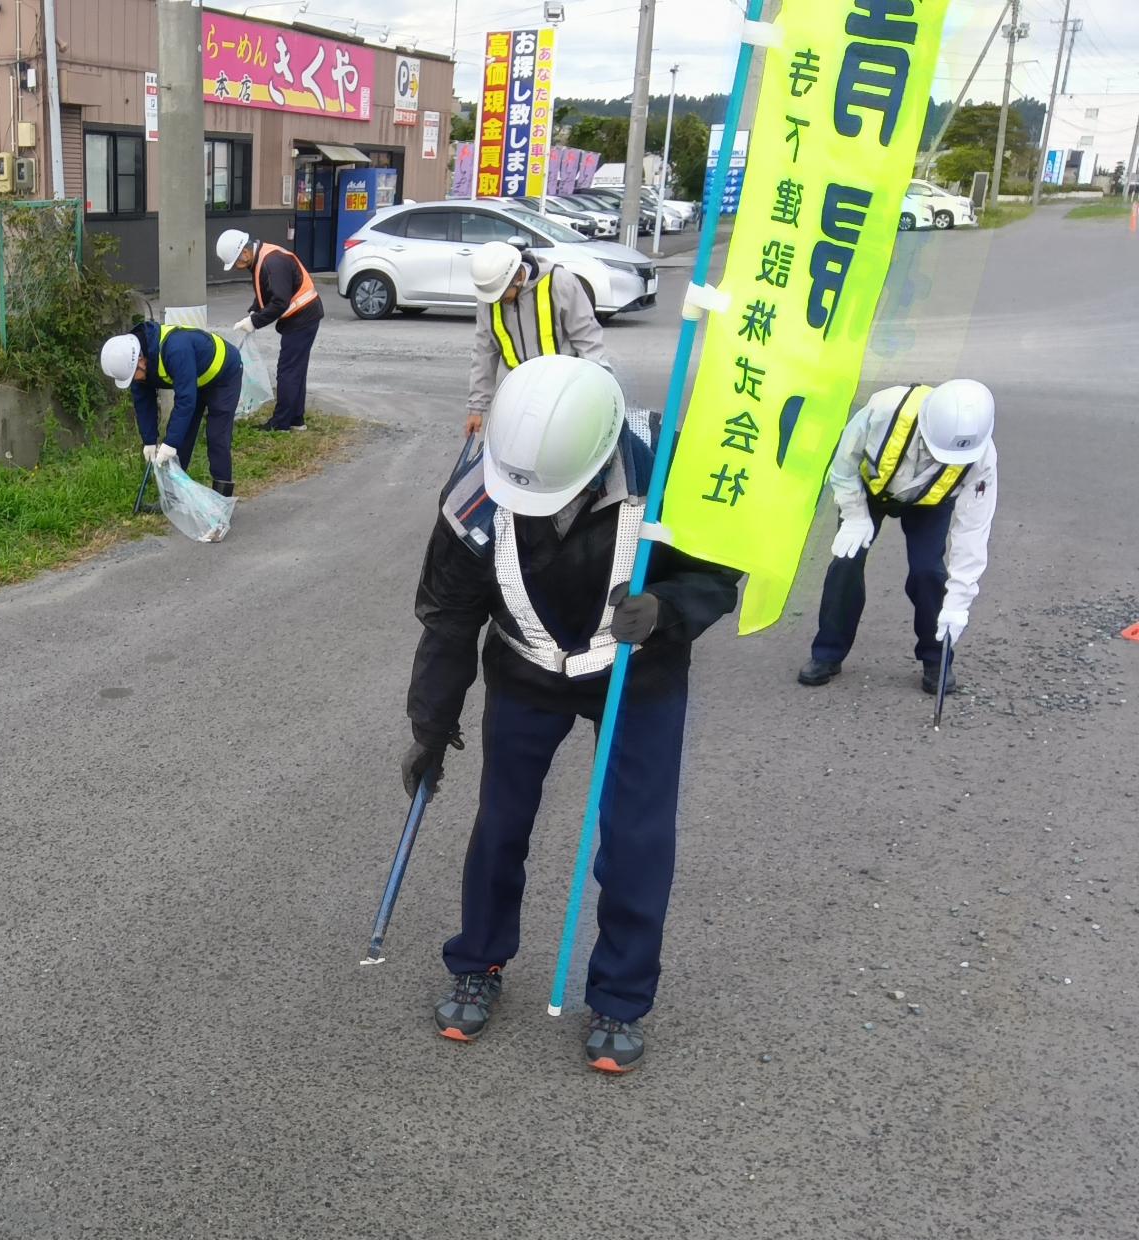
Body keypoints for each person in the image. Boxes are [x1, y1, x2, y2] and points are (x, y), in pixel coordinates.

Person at [403, 355, 740, 1074]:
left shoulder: (667, 467)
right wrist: (431, 726)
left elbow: (719, 570)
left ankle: (619, 994)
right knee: (501, 822)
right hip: (526, 667)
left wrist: (672, 608)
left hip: (637, 667)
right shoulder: (478, 486)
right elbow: (449, 620)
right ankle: (479, 960)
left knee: (636, 836)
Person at [797, 380, 997, 694]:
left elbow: (972, 532)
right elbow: (843, 463)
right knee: (846, 563)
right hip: (870, 490)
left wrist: (959, 602)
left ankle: (936, 658)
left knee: (928, 571)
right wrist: (854, 515)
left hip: (931, 501)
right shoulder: (883, 409)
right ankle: (828, 652)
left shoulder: (980, 456)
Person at [463, 242, 606, 442]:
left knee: (561, 447)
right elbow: (483, 353)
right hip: (520, 390)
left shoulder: (559, 282)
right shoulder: (490, 297)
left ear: (518, 277)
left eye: (503, 296)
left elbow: (587, 337)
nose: (498, 302)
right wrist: (476, 408)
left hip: (563, 390)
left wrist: (598, 387)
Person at [99, 321, 244, 499]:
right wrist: (149, 441)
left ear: (141, 361)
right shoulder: (135, 367)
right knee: (181, 434)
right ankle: (172, 498)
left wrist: (170, 444)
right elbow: (143, 403)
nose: (134, 381)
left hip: (224, 374)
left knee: (217, 436)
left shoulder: (175, 349)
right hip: (195, 379)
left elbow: (185, 400)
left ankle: (222, 501)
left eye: (133, 376)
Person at [217, 228, 322, 433]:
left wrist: (254, 321)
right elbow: (265, 288)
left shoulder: (272, 262)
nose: (237, 267)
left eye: (236, 262)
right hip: (304, 315)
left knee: (288, 372)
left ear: (245, 253)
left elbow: (279, 302)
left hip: (302, 317)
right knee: (296, 370)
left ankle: (281, 423)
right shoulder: (262, 258)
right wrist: (254, 310)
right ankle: (296, 419)